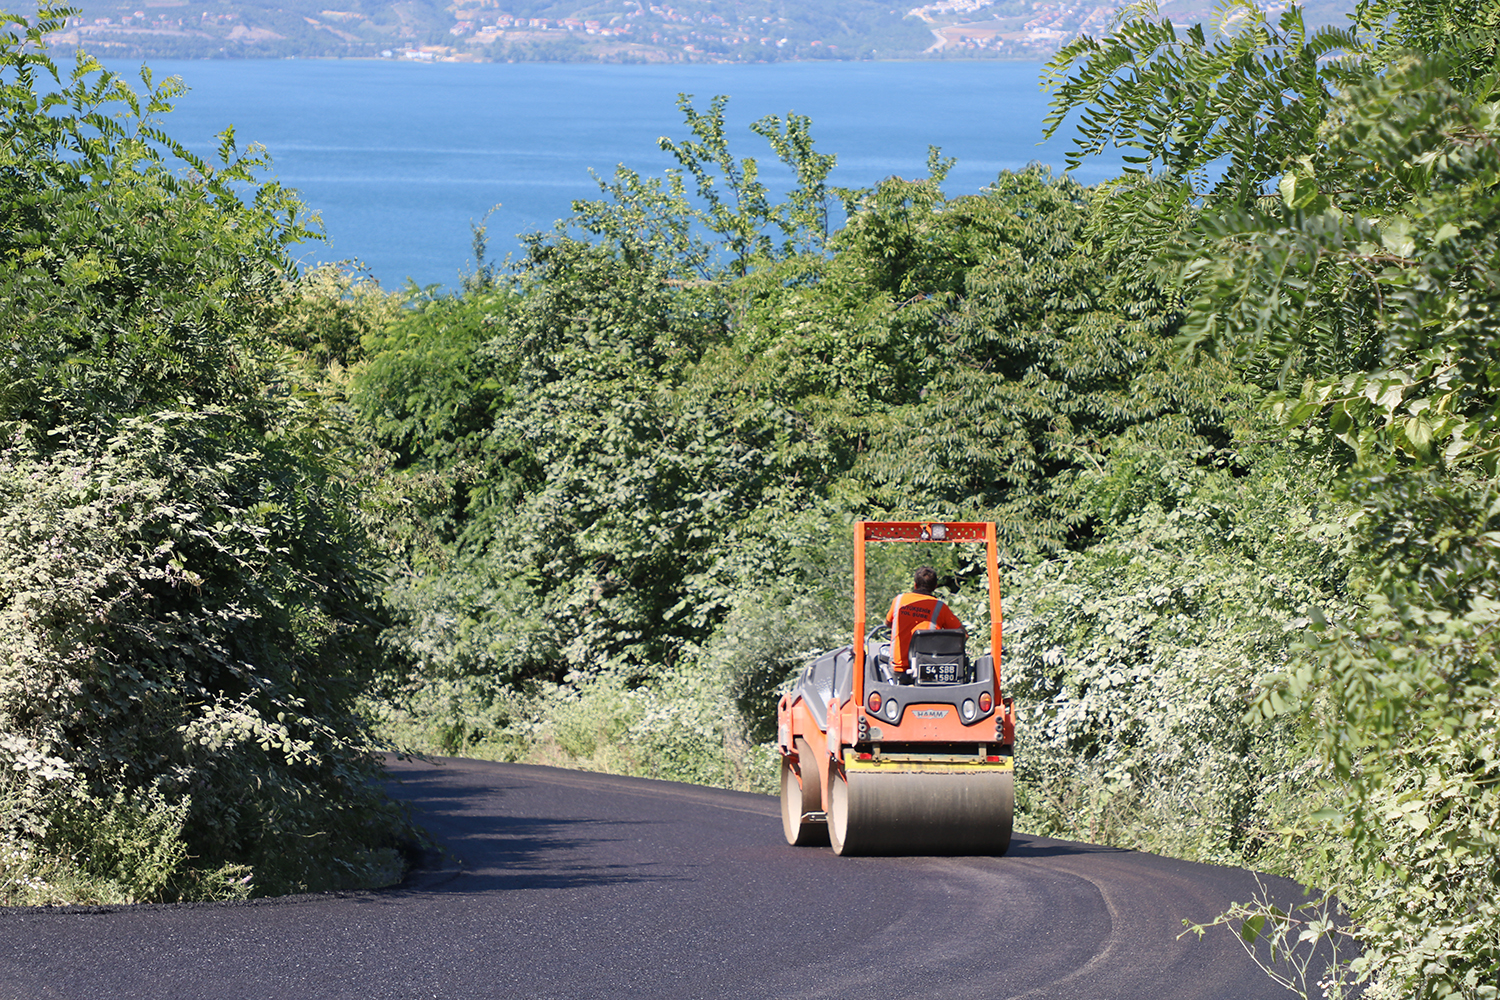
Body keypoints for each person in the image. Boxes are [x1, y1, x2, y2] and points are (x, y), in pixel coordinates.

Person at [885, 566, 964, 680]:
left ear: (915, 584)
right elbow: (962, 635)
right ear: (935, 587)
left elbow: (888, 623)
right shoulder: (940, 607)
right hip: (928, 670)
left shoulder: (899, 600)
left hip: (899, 669)